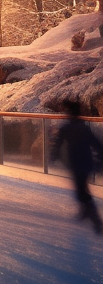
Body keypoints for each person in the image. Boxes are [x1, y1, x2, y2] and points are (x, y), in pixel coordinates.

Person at [52, 98, 103, 234]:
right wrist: (99, 159)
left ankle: (94, 218)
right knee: (82, 188)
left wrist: (54, 155)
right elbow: (97, 144)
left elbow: (57, 143)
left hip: (77, 162)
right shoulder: (83, 127)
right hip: (86, 162)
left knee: (81, 191)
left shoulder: (67, 128)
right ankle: (86, 211)